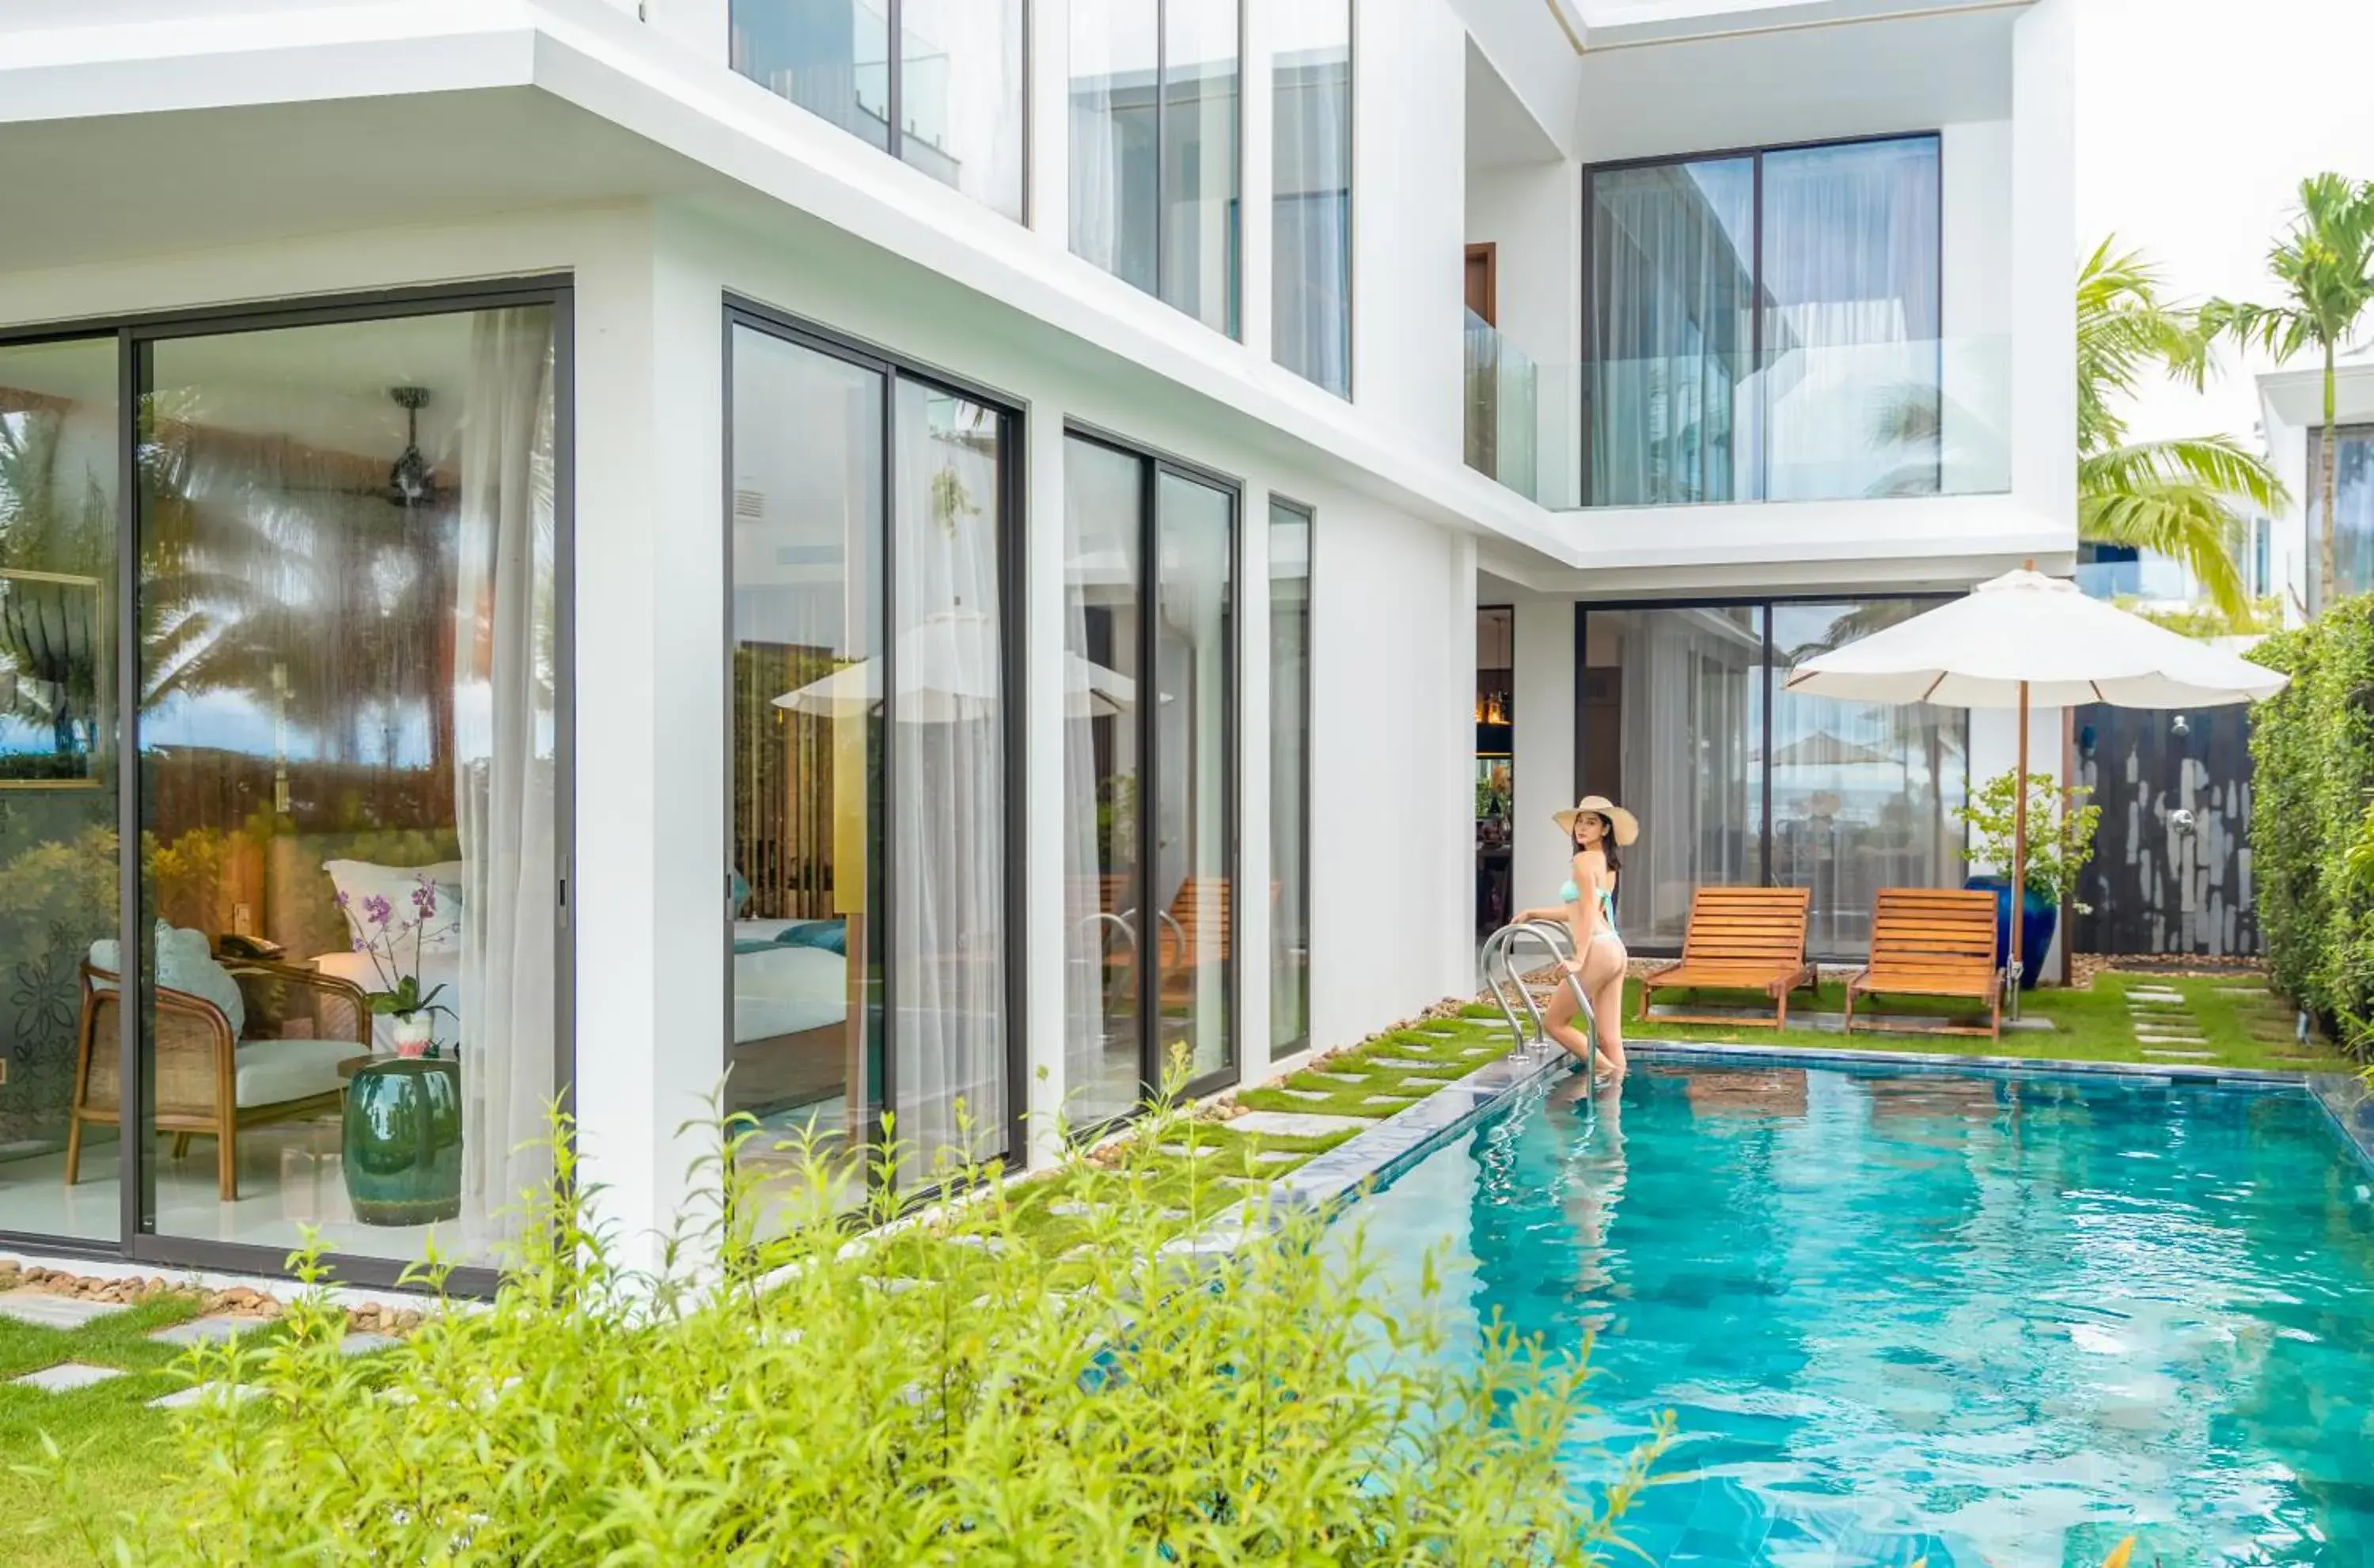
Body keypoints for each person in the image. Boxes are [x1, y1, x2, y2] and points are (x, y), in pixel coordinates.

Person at [1513, 795, 1637, 1087]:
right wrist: (1534, 912)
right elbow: (1583, 911)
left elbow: (1584, 916)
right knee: (1609, 1037)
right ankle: (1613, 1125)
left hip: (1596, 947)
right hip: (1614, 947)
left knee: (1555, 1023)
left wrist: (1579, 958)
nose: (1582, 827)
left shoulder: (1583, 861)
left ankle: (1609, 1073)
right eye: (1580, 822)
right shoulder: (1608, 864)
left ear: (1604, 830)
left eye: (1591, 822)